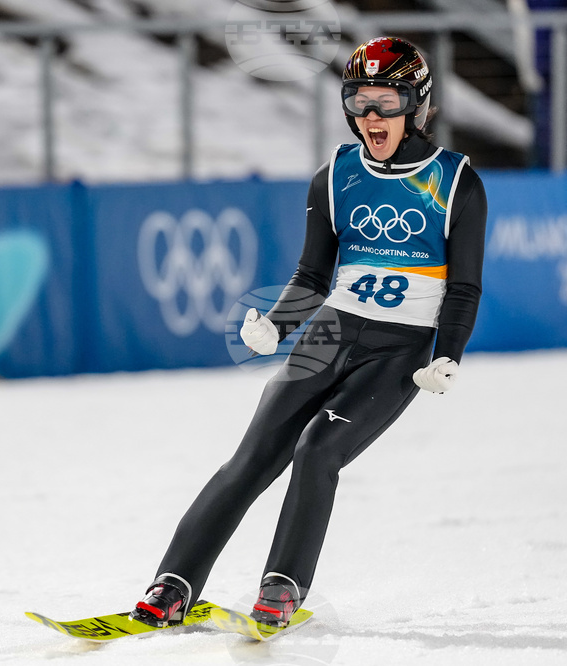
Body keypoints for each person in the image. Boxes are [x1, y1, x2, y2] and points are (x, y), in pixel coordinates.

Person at [129, 36, 488, 629]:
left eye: (387, 102)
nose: (371, 116)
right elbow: (314, 273)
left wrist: (448, 353)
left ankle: (283, 584)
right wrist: (278, 324)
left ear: (417, 105)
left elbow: (464, 288)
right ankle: (174, 582)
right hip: (332, 329)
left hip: (399, 348)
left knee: (318, 449)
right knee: (254, 455)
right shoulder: (336, 173)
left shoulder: (457, 183)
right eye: (360, 101)